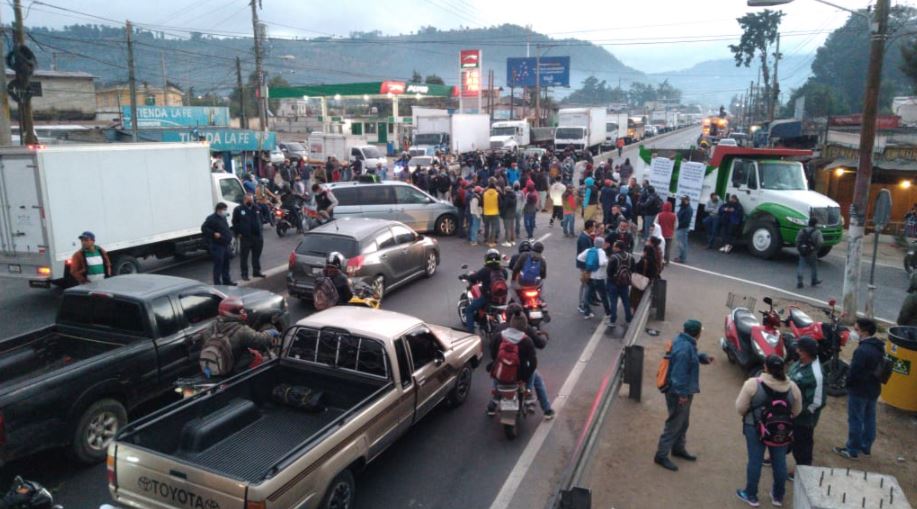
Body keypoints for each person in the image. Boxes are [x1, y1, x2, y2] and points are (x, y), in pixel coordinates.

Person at [735, 355, 802, 507]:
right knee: (779, 461)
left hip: (755, 427)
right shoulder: (792, 387)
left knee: (755, 460)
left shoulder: (753, 384)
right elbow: (797, 411)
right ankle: (778, 496)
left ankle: (751, 494)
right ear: (783, 368)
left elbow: (740, 408)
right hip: (781, 430)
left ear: (765, 367)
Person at [654, 320, 714, 471]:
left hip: (681, 391)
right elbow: (678, 375)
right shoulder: (685, 348)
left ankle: (678, 448)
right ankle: (661, 455)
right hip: (679, 393)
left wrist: (702, 357)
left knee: (682, 422)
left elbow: (690, 358)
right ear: (697, 333)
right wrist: (682, 395)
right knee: (674, 423)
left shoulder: (684, 341)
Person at [487, 304, 555, 420]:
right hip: (521, 373)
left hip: (502, 372)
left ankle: (493, 403)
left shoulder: (499, 331)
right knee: (537, 380)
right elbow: (534, 359)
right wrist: (526, 375)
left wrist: (497, 363)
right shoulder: (527, 335)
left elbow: (492, 352)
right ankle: (546, 409)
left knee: (496, 371)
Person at [834, 318, 883, 460]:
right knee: (869, 419)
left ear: (864, 332)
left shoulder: (862, 351)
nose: (854, 333)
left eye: (856, 330)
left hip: (859, 390)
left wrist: (847, 384)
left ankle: (852, 450)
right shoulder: (878, 347)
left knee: (855, 420)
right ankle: (865, 447)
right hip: (873, 389)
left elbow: (854, 373)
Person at [201, 296, 280, 377]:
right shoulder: (241, 330)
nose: (243, 312)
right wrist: (270, 333)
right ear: (232, 313)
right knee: (272, 358)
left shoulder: (209, 328)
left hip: (219, 367)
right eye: (240, 310)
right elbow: (261, 341)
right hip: (240, 369)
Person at [789, 336, 826, 479]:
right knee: (784, 436)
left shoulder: (816, 374)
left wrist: (797, 412)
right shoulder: (800, 363)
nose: (795, 350)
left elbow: (817, 402)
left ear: (804, 353)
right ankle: (776, 457)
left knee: (802, 445)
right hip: (791, 412)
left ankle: (802, 470)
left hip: (804, 419)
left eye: (798, 348)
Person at [463, 249, 508, 332]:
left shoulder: (485, 270)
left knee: (469, 310)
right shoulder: (503, 270)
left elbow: (474, 277)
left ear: (487, 259)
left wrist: (466, 277)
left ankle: (471, 333)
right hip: (502, 299)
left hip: (488, 299)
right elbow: (505, 277)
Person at [232, 194, 265, 281]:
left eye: (252, 200)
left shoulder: (256, 208)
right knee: (244, 257)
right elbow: (235, 222)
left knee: (256, 255)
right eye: (249, 200)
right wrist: (238, 233)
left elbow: (261, 219)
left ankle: (256, 271)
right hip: (246, 237)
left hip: (257, 236)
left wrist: (260, 229)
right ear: (244, 200)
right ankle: (244, 274)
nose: (251, 201)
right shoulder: (238, 209)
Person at [201, 202, 235, 286]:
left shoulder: (223, 218)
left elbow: (225, 228)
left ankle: (227, 280)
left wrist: (229, 237)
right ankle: (217, 283)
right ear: (219, 210)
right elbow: (204, 228)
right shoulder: (211, 218)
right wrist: (213, 234)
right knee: (218, 264)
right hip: (217, 245)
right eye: (224, 210)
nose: (225, 211)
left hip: (225, 244)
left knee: (226, 263)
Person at [577, 237, 610, 320]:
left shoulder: (589, 250)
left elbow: (579, 257)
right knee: (603, 295)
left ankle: (587, 313)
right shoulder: (601, 252)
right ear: (602, 244)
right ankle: (608, 312)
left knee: (587, 295)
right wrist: (607, 261)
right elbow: (602, 262)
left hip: (590, 276)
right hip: (599, 277)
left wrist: (587, 263)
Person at [606, 240, 634, 326]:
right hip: (625, 283)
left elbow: (609, 271)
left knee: (613, 302)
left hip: (613, 283)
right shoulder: (630, 257)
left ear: (618, 248)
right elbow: (633, 269)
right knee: (626, 301)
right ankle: (628, 319)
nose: (613, 247)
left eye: (614, 246)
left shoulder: (613, 258)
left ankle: (613, 320)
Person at [795, 216, 824, 289]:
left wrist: (799, 248)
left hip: (803, 250)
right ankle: (814, 280)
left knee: (801, 265)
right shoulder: (817, 232)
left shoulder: (802, 230)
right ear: (815, 224)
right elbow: (820, 242)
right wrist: (816, 249)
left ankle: (800, 281)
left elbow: (797, 240)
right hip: (812, 251)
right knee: (814, 266)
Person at [483, 179, 501, 248]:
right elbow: (500, 204)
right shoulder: (497, 194)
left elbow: (482, 202)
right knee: (493, 227)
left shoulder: (485, 193)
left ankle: (486, 239)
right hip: (495, 212)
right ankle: (492, 241)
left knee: (486, 226)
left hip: (486, 212)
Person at [675, 195, 693, 263]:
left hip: (683, 228)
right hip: (681, 227)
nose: (681, 200)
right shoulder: (683, 207)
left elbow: (686, 221)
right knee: (681, 243)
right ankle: (681, 256)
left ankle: (682, 258)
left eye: (683, 199)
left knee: (682, 243)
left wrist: (678, 225)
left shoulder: (688, 209)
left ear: (686, 200)